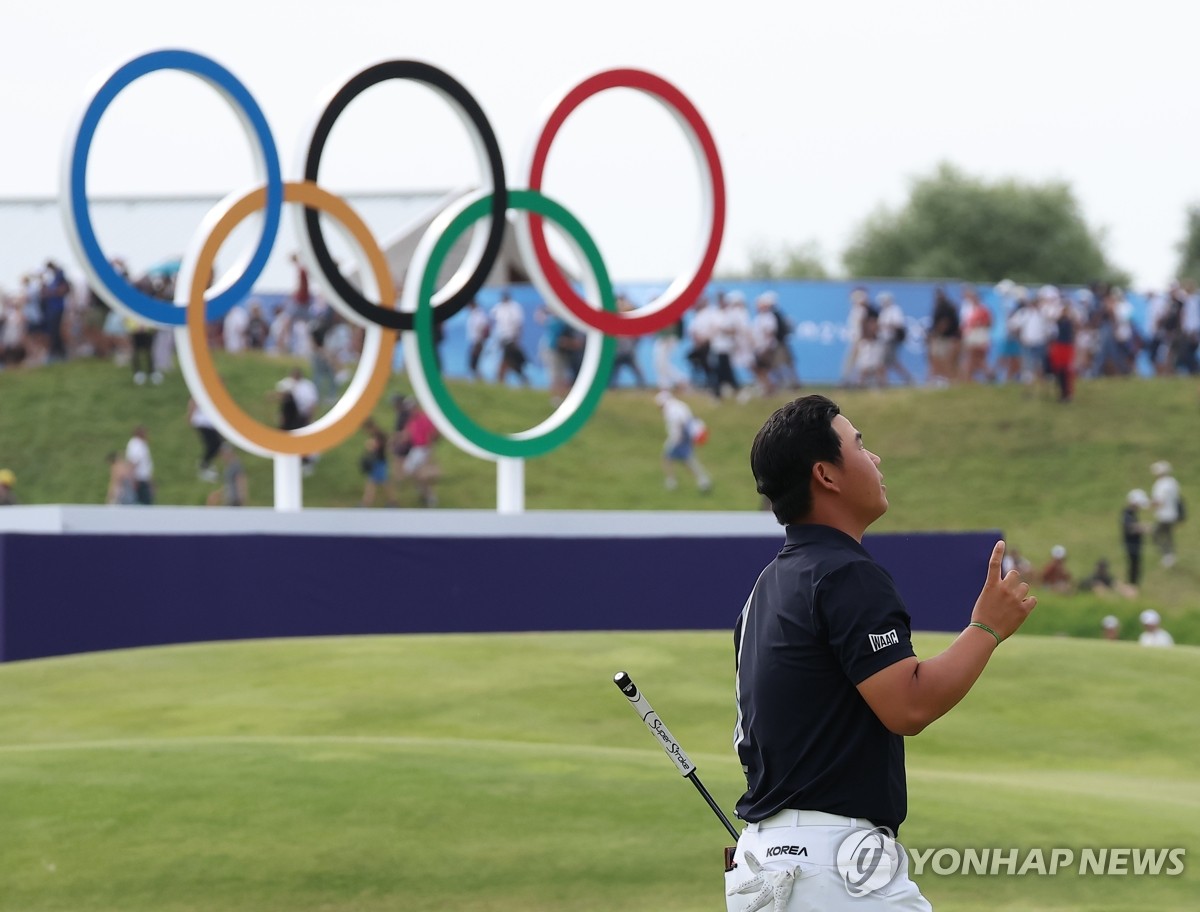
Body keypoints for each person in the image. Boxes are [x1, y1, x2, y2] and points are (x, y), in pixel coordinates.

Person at [726, 394, 1035, 912]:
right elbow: (907, 705)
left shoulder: (765, 586)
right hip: (836, 870)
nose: (875, 459)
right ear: (826, 475)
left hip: (765, 865)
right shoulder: (846, 572)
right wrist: (987, 627)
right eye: (859, 444)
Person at [655, 388, 711, 493]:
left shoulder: (670, 410)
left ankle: (672, 482)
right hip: (688, 434)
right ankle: (702, 480)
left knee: (667, 457)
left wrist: (673, 441)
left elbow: (677, 426)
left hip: (681, 437)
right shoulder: (679, 405)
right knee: (686, 459)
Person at [1149, 460, 1182, 567]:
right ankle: (1171, 555)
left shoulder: (1161, 484)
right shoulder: (1173, 482)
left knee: (1156, 533)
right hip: (1173, 513)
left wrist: (1149, 504)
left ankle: (1167, 555)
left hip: (1164, 514)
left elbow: (1160, 501)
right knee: (1168, 534)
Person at [1120, 488, 1151, 596]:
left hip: (1135, 545)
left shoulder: (1132, 514)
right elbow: (1129, 527)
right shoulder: (1127, 513)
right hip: (1131, 545)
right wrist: (1142, 528)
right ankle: (1131, 588)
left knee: (1136, 567)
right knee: (1133, 567)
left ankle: (1134, 587)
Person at [188, 398, 224, 483]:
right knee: (214, 444)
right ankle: (204, 465)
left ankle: (206, 464)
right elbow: (193, 401)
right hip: (202, 422)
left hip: (209, 422)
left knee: (217, 443)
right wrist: (190, 415)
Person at [125, 425, 154, 505]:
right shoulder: (136, 444)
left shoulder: (140, 444)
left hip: (142, 480)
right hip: (139, 480)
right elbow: (133, 463)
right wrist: (133, 480)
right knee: (143, 505)